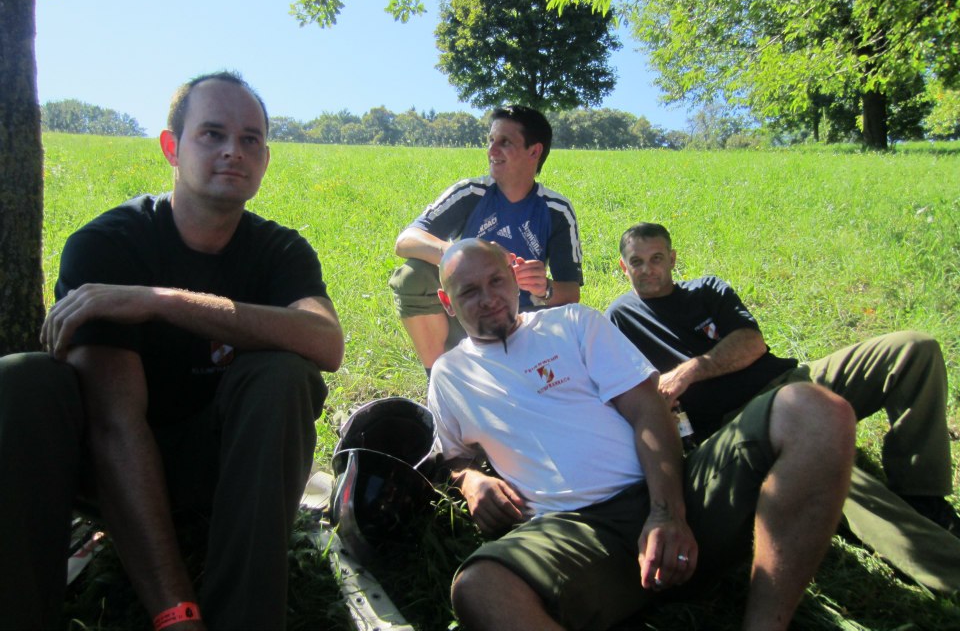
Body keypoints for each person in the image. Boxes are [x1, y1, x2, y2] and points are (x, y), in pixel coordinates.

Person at [0, 72, 344, 630]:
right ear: (171, 147)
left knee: (285, 374)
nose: (233, 151)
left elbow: (325, 341)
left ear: (265, 159)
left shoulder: (279, 250)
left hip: (222, 465)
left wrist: (160, 301)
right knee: (21, 379)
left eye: (250, 139)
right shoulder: (107, 245)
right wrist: (175, 613)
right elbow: (114, 423)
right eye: (212, 134)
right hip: (105, 464)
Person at [427, 238, 856, 630]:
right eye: (469, 291)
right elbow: (453, 457)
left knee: (814, 409)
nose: (489, 299)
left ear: (512, 275)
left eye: (496, 281)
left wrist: (667, 513)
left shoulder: (571, 323)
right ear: (447, 302)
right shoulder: (449, 376)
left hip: (674, 491)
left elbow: (648, 409)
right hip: (576, 534)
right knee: (480, 589)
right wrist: (471, 480)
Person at [606, 222, 960, 589]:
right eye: (637, 262)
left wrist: (690, 371)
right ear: (623, 266)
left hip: (795, 378)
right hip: (746, 420)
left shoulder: (707, 290)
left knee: (913, 349)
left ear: (673, 259)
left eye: (656, 258)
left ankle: (924, 494)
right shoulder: (618, 320)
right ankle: (944, 565)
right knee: (826, 461)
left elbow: (752, 343)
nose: (648, 270)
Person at [389, 105, 583, 376]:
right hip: (467, 316)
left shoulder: (556, 210)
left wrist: (544, 289)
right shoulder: (471, 193)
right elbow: (406, 241)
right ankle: (440, 379)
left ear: (534, 151)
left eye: (505, 142)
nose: (492, 150)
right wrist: (467, 253)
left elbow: (571, 293)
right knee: (412, 276)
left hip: (522, 322)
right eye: (491, 140)